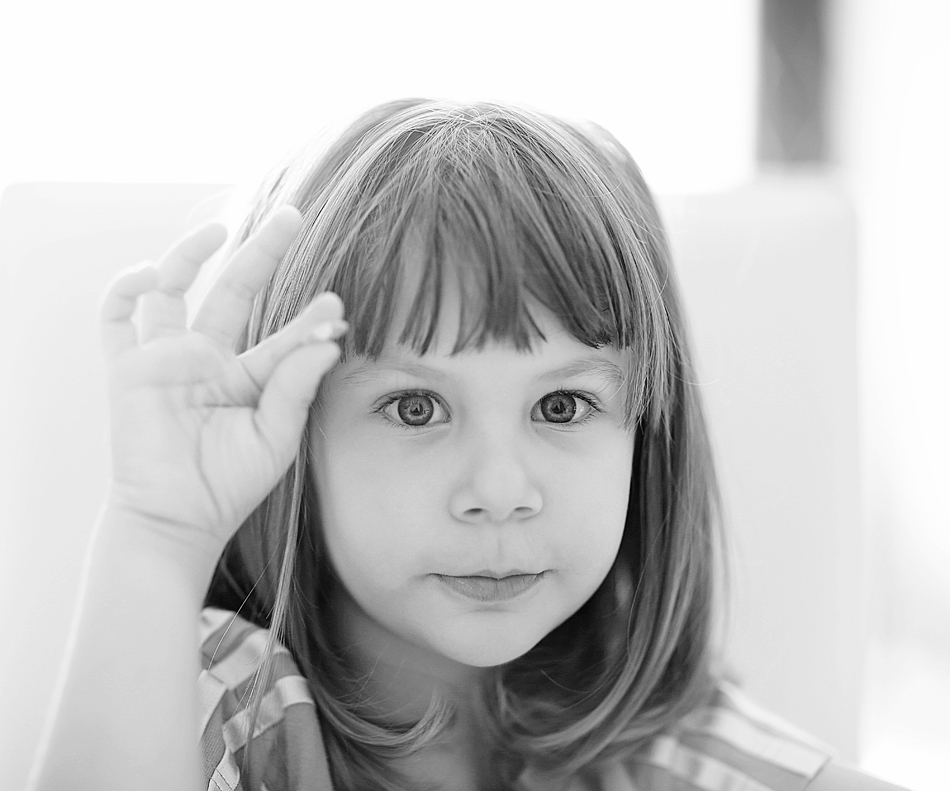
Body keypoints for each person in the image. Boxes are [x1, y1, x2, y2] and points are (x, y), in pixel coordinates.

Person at [30, 99, 906, 791]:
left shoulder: (664, 750)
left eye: (561, 405)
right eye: (415, 408)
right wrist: (159, 535)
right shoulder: (230, 700)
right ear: (296, 442)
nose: (498, 488)